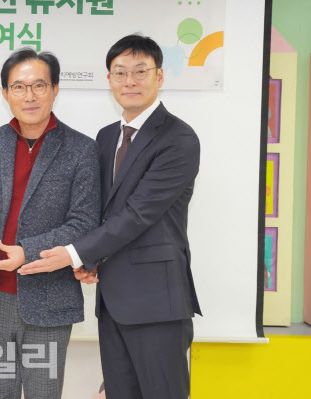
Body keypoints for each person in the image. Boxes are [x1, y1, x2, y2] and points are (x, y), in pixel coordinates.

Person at [19, 34, 202, 399]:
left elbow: (138, 214)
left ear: (159, 76)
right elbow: (101, 212)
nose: (129, 81)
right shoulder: (105, 138)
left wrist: (75, 253)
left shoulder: (178, 138)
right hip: (112, 298)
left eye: (140, 71)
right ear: (109, 80)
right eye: (120, 72)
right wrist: (93, 259)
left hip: (157, 301)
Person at [0, 48, 100, 399]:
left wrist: (28, 251)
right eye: (19, 87)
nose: (30, 96)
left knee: (44, 394)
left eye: (39, 85)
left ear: (55, 89)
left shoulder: (81, 149)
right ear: (5, 93)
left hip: (49, 297)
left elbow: (84, 222)